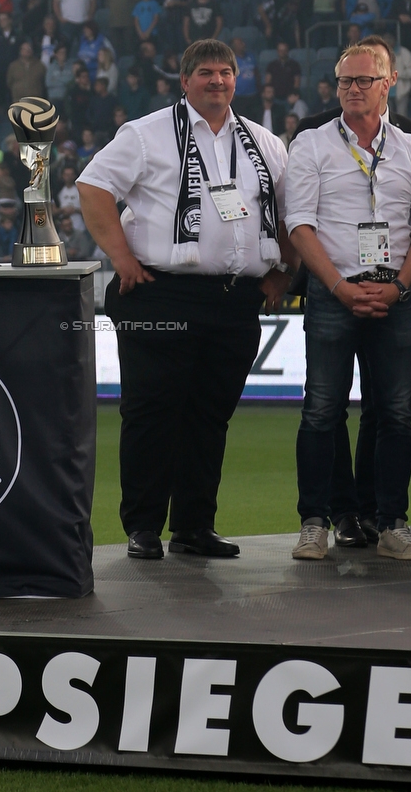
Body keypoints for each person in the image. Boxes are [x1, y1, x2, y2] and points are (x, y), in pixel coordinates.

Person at [77, 39, 293, 560]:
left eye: (225, 73)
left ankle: (194, 526)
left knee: (209, 417)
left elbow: (290, 212)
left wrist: (284, 272)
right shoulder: (146, 134)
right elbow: (93, 187)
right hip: (161, 292)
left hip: (234, 299)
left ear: (236, 80)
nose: (216, 81)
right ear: (184, 80)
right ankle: (143, 526)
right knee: (153, 413)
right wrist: (121, 258)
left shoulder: (264, 142)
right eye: (205, 73)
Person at [287, 43, 411, 560]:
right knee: (321, 411)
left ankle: (392, 523)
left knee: (397, 413)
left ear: (389, 81)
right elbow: (299, 226)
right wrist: (338, 287)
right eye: (346, 81)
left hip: (395, 294)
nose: (354, 89)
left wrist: (398, 288)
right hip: (334, 292)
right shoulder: (310, 144)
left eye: (364, 80)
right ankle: (314, 522)